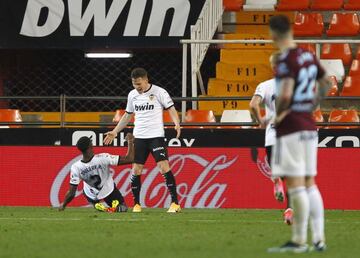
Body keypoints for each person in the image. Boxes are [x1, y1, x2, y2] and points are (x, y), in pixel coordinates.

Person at [267, 15, 332, 253]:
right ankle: (319, 239)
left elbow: (284, 94)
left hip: (292, 126)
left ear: (273, 33)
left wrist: (279, 115)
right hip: (309, 125)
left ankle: (299, 241)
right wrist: (311, 104)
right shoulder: (308, 55)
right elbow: (327, 82)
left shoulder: (285, 59)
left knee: (295, 185)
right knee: (310, 183)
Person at [104, 68, 181, 213]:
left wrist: (176, 123)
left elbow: (171, 108)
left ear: (146, 80)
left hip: (156, 137)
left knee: (163, 167)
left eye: (139, 84)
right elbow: (127, 116)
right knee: (136, 169)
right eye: (134, 84)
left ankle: (175, 203)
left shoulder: (159, 92)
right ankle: (137, 205)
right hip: (139, 137)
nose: (137, 87)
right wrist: (115, 131)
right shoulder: (132, 95)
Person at [249, 51, 293, 225]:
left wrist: (259, 121)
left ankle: (275, 178)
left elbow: (253, 105)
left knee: (276, 168)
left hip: (272, 134)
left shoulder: (265, 85)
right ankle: (289, 210)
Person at [59, 133, 135, 212]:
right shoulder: (103, 158)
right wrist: (130, 141)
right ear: (90, 146)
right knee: (123, 207)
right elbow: (130, 159)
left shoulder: (76, 167)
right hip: (107, 190)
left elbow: (72, 192)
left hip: (90, 194)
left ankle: (96, 204)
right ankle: (112, 208)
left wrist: (63, 204)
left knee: (88, 192)